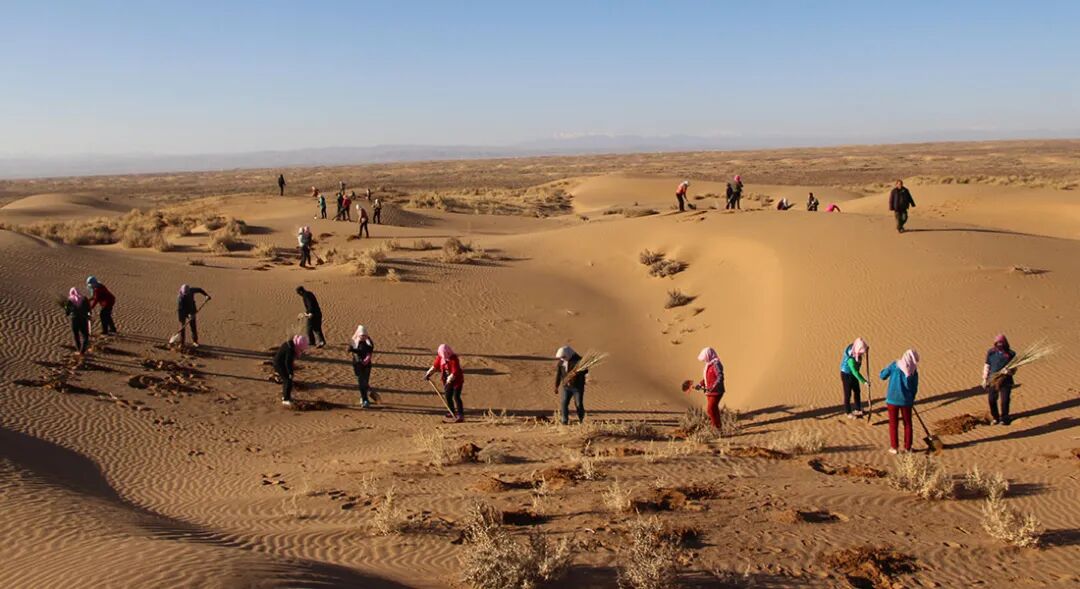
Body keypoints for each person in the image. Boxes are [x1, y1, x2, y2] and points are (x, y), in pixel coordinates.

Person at [880, 349, 920, 454]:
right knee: (908, 424)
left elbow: (882, 376)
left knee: (893, 424)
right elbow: (914, 387)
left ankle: (894, 447)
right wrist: (912, 398)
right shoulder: (913, 371)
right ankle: (908, 448)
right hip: (906, 401)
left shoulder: (895, 365)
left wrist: (886, 369)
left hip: (892, 400)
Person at [982, 334, 1017, 425]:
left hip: (1006, 380)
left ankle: (1004, 417)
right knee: (991, 399)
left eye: (1001, 342)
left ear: (1005, 343)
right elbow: (987, 365)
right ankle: (995, 417)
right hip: (993, 379)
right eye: (997, 343)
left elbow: (1014, 369)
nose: (999, 344)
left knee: (1005, 400)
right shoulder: (991, 352)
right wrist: (985, 379)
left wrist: (1008, 371)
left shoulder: (1011, 354)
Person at [424, 344, 464, 422]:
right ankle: (452, 411)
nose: (445, 355)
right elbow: (435, 366)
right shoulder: (440, 357)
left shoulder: (454, 359)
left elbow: (455, 372)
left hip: (457, 381)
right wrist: (428, 374)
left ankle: (460, 415)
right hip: (447, 381)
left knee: (456, 397)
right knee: (448, 396)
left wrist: (449, 380)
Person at [694, 347, 726, 428]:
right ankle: (717, 426)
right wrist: (700, 384)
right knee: (713, 409)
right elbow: (707, 378)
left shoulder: (716, 364)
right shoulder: (708, 365)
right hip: (709, 392)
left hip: (716, 392)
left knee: (710, 409)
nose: (704, 360)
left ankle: (716, 428)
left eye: (705, 358)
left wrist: (713, 387)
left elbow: (720, 377)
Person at [554, 346, 587, 425]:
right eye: (561, 357)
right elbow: (558, 375)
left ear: (568, 354)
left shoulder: (578, 360)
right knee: (564, 403)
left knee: (578, 404)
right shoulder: (561, 362)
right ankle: (564, 420)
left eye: (564, 356)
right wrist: (556, 386)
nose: (562, 358)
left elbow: (585, 370)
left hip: (577, 387)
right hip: (566, 387)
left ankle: (582, 420)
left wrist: (577, 373)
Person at [274, 335, 308, 407]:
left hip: (279, 363)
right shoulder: (290, 349)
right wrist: (290, 372)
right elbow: (288, 362)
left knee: (287, 381)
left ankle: (285, 396)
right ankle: (285, 399)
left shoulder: (290, 344)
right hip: (279, 365)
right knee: (288, 381)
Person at [840, 338, 869, 418]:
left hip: (853, 374)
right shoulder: (851, 359)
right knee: (848, 394)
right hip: (846, 374)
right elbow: (855, 372)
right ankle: (848, 412)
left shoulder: (855, 349)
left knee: (857, 391)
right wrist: (864, 382)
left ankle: (858, 408)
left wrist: (866, 349)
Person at [348, 325, 375, 407]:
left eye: (364, 335)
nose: (363, 337)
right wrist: (351, 349)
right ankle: (365, 399)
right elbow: (355, 352)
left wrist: (366, 360)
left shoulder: (369, 343)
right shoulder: (354, 342)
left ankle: (364, 398)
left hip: (367, 366)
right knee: (361, 382)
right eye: (361, 335)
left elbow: (369, 351)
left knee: (365, 382)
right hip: (357, 365)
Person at [64, 287, 91, 354]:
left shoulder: (70, 299)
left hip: (74, 319)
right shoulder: (84, 298)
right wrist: (89, 315)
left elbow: (67, 312)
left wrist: (68, 311)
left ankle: (79, 349)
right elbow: (89, 308)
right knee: (85, 335)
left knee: (76, 335)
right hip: (83, 318)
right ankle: (83, 350)